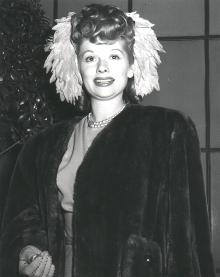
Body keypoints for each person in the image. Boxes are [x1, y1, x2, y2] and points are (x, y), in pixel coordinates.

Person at [0, 3, 215, 277]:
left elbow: (189, 238)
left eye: (114, 56)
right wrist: (25, 252)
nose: (102, 68)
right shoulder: (41, 146)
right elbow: (21, 224)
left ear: (131, 66)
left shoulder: (168, 130)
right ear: (77, 67)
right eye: (90, 58)